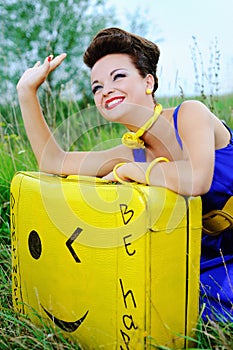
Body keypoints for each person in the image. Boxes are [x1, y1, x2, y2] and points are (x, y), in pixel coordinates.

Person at [17, 27, 233, 321]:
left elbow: (197, 178)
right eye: (96, 87)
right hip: (208, 263)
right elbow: (52, 160)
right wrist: (27, 92)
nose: (105, 89)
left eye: (117, 76)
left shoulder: (190, 115)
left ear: (148, 81)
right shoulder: (127, 152)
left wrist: (133, 171)